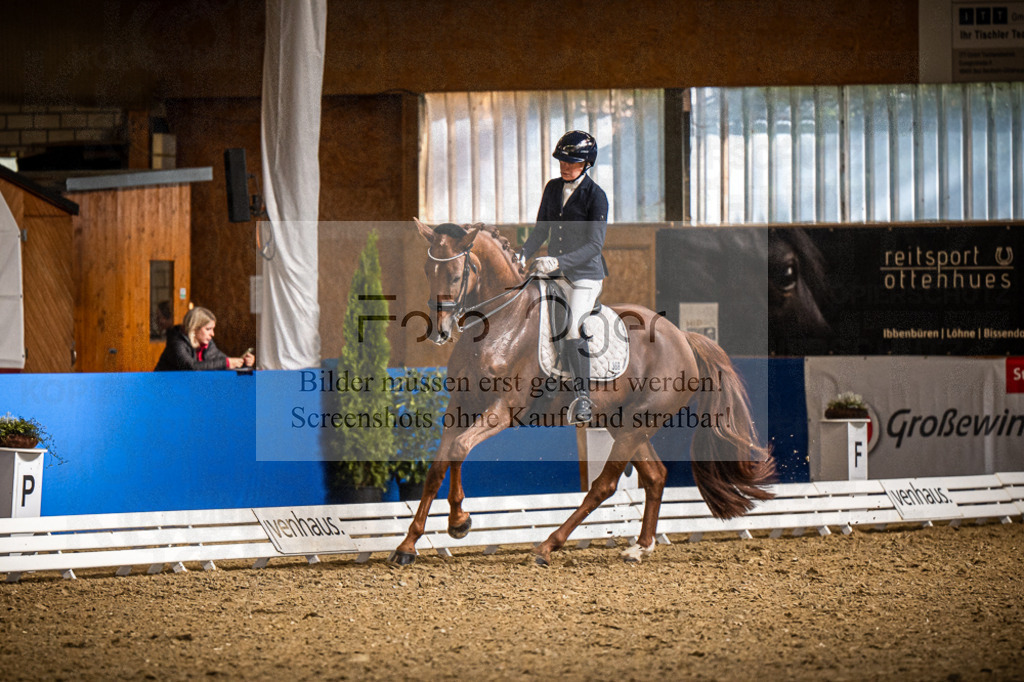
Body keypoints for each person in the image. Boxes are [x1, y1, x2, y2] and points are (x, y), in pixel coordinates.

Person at [519, 130, 609, 424]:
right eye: (562, 161)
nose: (564, 167)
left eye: (571, 163)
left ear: (586, 164)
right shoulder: (553, 188)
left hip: (584, 275)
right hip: (553, 271)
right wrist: (522, 254)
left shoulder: (596, 197)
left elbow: (594, 246)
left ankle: (583, 398)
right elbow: (540, 231)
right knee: (534, 318)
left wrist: (557, 260)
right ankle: (545, 383)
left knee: (572, 327)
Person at [154, 306, 255, 371]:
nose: (212, 334)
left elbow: (220, 361)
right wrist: (227, 362)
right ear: (194, 328)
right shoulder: (176, 342)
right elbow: (191, 367)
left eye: (213, 329)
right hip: (164, 391)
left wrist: (243, 363)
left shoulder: (207, 344)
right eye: (208, 329)